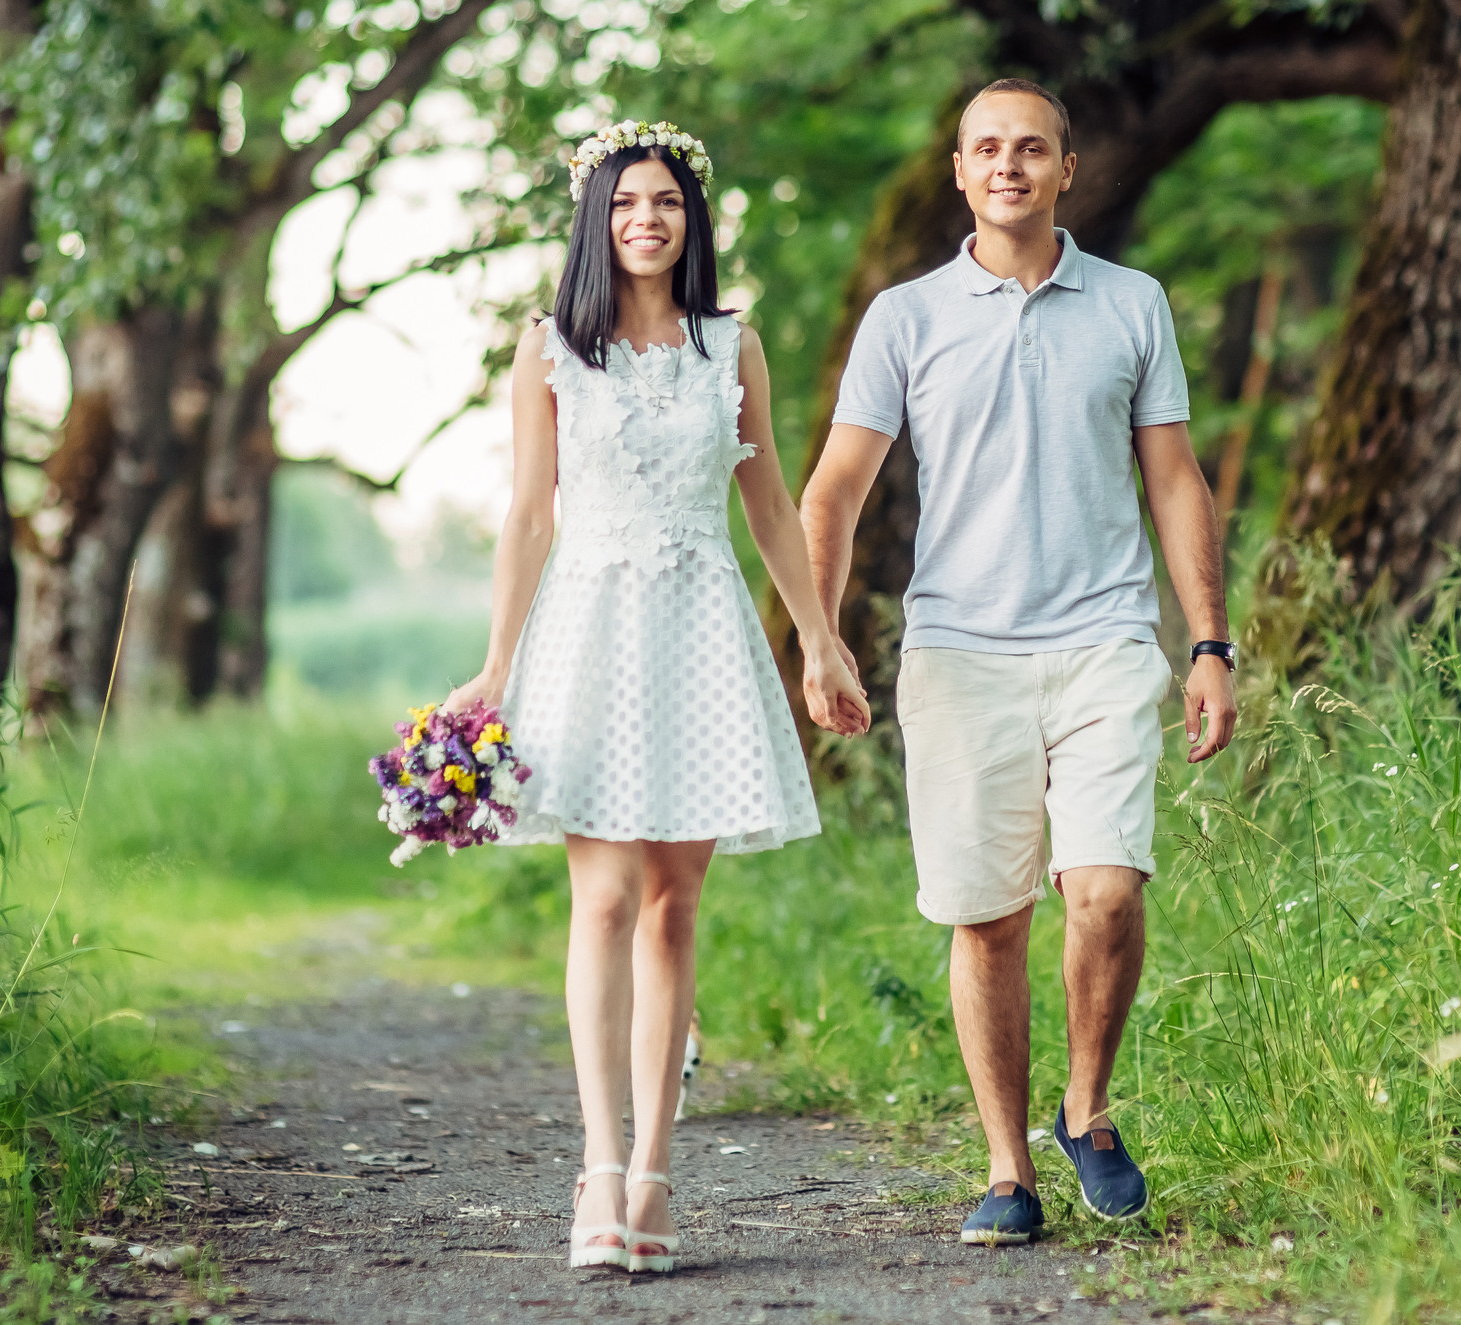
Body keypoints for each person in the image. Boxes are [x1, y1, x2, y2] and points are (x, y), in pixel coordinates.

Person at [801, 79, 1238, 1245]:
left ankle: (1086, 1110)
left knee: (1102, 889)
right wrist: (819, 628)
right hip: (960, 649)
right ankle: (1007, 1167)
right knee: (987, 917)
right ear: (958, 172)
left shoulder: (1132, 303)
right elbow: (837, 486)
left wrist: (1207, 640)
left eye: (1029, 147)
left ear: (1065, 168)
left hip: (1103, 637)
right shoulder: (905, 316)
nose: (1008, 165)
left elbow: (1175, 478)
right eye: (986, 148)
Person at [443, 119, 870, 1276]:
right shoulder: (548, 350)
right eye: (628, 202)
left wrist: (819, 642)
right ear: (597, 218)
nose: (648, 219)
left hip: (700, 624)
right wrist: (495, 665)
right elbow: (529, 514)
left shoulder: (730, 344)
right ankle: (594, 1164)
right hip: (587, 625)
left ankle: (655, 1172)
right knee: (605, 898)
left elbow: (771, 503)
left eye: (667, 203)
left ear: (692, 221)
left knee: (677, 903)